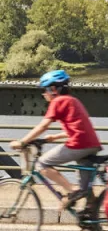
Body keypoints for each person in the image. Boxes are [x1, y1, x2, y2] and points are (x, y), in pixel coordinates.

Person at [10, 69, 102, 209]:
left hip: (79, 144)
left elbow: (43, 125)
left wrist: (22, 142)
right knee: (86, 191)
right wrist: (54, 137)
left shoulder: (58, 101)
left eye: (45, 90)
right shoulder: (73, 100)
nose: (44, 94)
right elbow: (78, 127)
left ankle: (72, 191)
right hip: (91, 145)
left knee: (41, 164)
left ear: (53, 89)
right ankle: (91, 222)